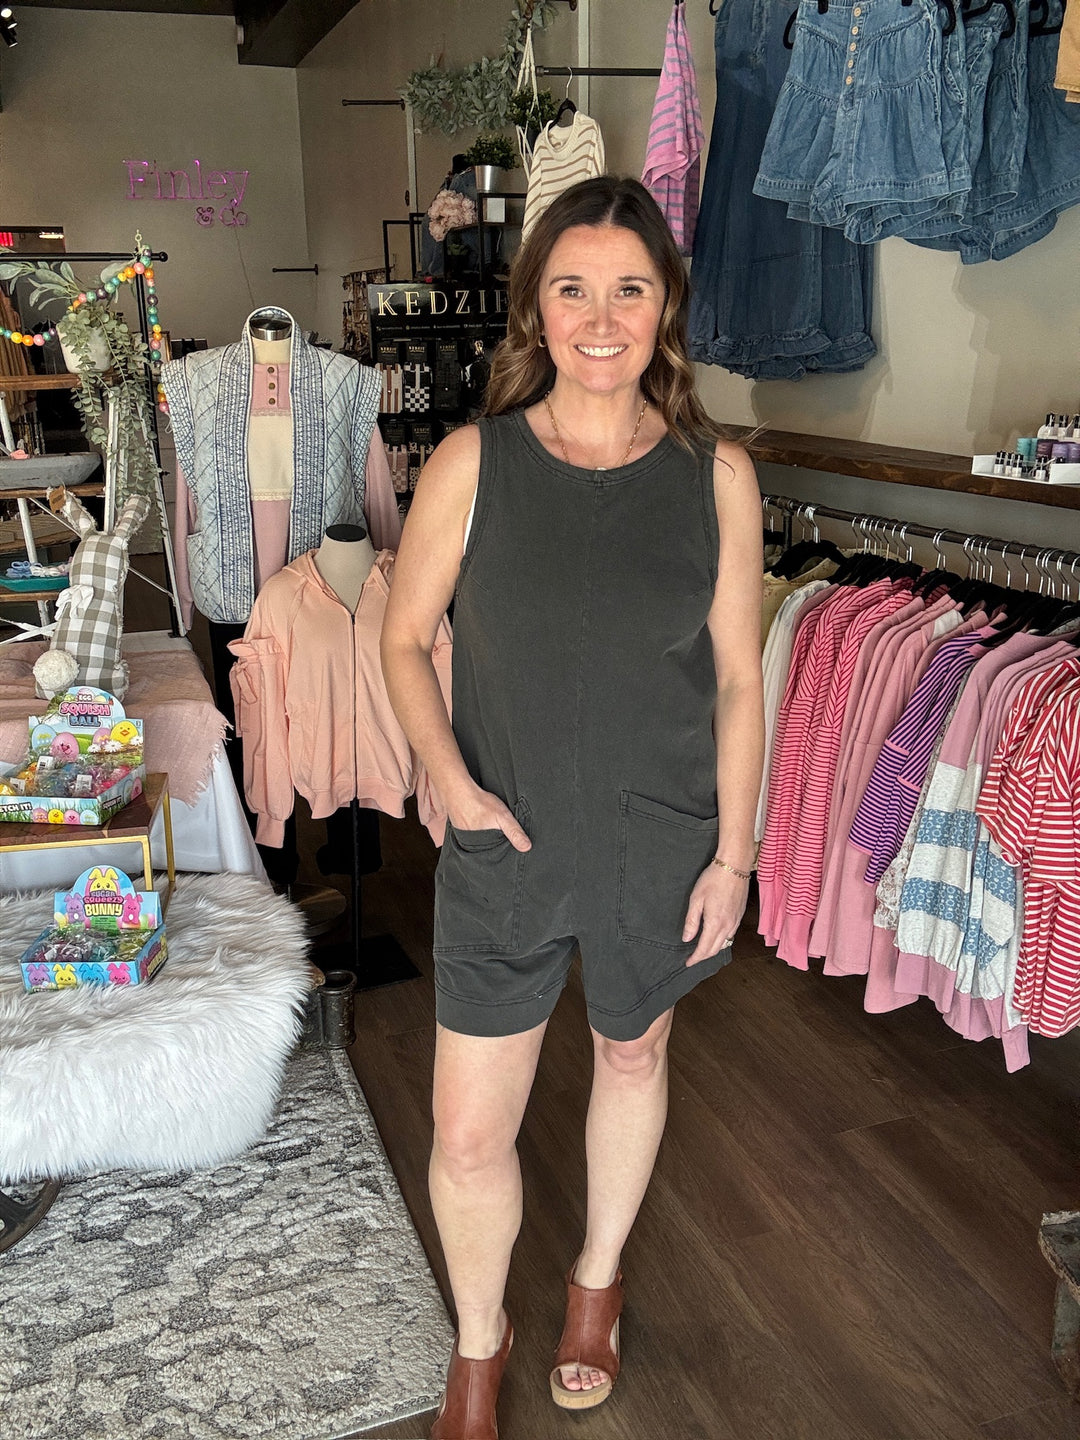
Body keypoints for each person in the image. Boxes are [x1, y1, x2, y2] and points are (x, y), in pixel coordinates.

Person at [381, 175, 764, 1440]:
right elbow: (402, 640)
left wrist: (737, 855)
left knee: (633, 1051)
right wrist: (451, 783)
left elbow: (740, 679)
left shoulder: (717, 476)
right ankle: (479, 1345)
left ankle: (595, 1284)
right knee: (467, 1128)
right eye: (573, 289)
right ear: (535, 309)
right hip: (506, 833)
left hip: (662, 834)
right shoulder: (471, 462)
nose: (602, 319)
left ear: (666, 308)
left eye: (630, 290)